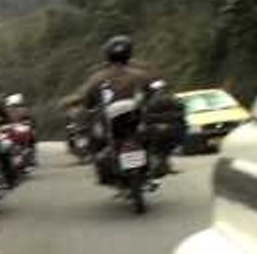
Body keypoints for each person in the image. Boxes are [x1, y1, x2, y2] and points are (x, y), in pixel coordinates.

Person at [65, 34, 175, 177]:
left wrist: (73, 103)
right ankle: (158, 161)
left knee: (92, 135)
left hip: (120, 125)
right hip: (132, 122)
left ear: (107, 55)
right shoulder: (140, 73)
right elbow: (157, 88)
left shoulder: (99, 77)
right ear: (129, 54)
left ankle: (153, 161)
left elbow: (83, 97)